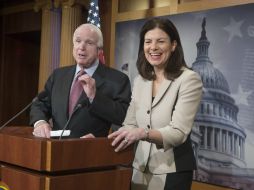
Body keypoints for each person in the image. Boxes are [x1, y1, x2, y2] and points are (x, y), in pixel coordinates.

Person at [108, 18, 203, 190]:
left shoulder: (189, 79)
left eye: (161, 41)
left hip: (172, 171)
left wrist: (142, 133)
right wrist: (101, 140)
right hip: (139, 168)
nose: (153, 47)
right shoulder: (140, 80)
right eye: (148, 42)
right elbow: (129, 124)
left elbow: (178, 132)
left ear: (173, 45)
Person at [30, 23, 131, 138]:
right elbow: (40, 103)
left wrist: (94, 97)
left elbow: (123, 116)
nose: (81, 47)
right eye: (78, 41)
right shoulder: (58, 75)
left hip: (91, 151)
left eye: (89, 43)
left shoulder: (117, 79)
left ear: (99, 50)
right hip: (56, 149)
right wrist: (40, 122)